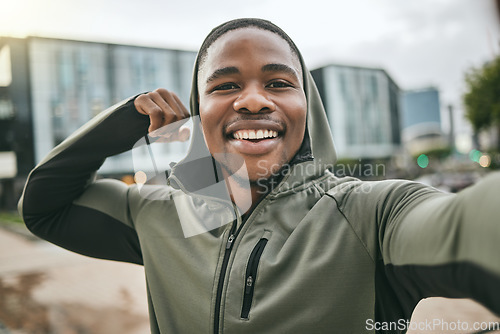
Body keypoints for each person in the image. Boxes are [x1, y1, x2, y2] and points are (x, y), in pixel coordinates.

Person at [18, 18, 500, 334]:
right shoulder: (157, 214)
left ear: (307, 106)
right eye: (225, 85)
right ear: (199, 111)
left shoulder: (370, 215)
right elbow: (44, 207)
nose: (252, 100)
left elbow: (472, 227)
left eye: (278, 83)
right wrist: (124, 125)